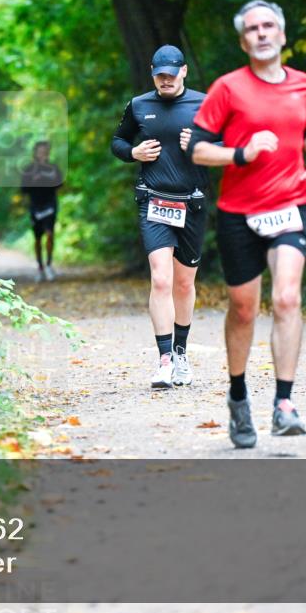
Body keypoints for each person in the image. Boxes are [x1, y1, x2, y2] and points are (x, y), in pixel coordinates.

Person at [188, 0, 306, 447]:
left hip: (290, 205)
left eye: (269, 26)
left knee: (287, 298)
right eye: (253, 29)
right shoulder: (228, 89)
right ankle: (238, 397)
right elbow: (196, 149)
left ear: (283, 34)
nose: (262, 33)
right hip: (238, 214)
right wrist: (241, 153)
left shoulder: (304, 84)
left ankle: (284, 404)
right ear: (243, 40)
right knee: (245, 309)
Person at [111, 45, 209, 389]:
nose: (165, 80)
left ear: (184, 71)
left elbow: (227, 144)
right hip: (153, 200)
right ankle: (164, 360)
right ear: (153, 73)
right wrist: (132, 152)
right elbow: (118, 141)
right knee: (161, 280)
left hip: (192, 203)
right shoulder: (139, 105)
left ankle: (181, 353)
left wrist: (199, 144)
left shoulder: (205, 103)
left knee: (184, 284)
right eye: (159, 75)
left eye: (171, 74)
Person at [20, 141, 63, 282]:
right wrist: (34, 180)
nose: (43, 153)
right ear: (35, 153)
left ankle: (49, 264)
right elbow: (23, 189)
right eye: (40, 151)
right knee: (37, 238)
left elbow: (60, 184)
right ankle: (40, 267)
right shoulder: (29, 169)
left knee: (50, 234)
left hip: (50, 204)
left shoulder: (53, 168)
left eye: (46, 151)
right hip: (35, 206)